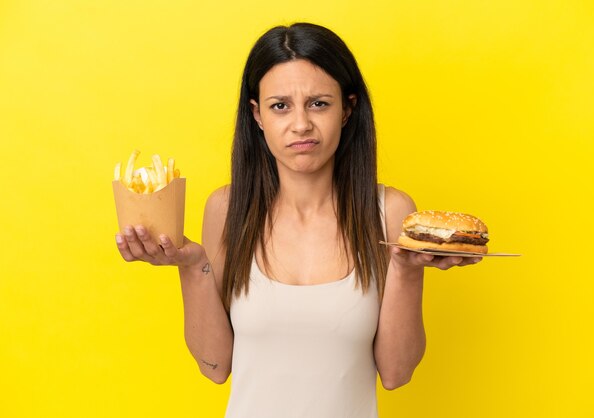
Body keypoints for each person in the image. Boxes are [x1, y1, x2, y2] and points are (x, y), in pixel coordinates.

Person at [115, 22, 482, 418]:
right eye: (280, 106)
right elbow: (215, 367)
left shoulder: (389, 211)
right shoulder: (226, 208)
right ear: (257, 115)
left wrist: (408, 271)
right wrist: (191, 265)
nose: (301, 124)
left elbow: (396, 373)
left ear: (348, 109)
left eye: (319, 103)